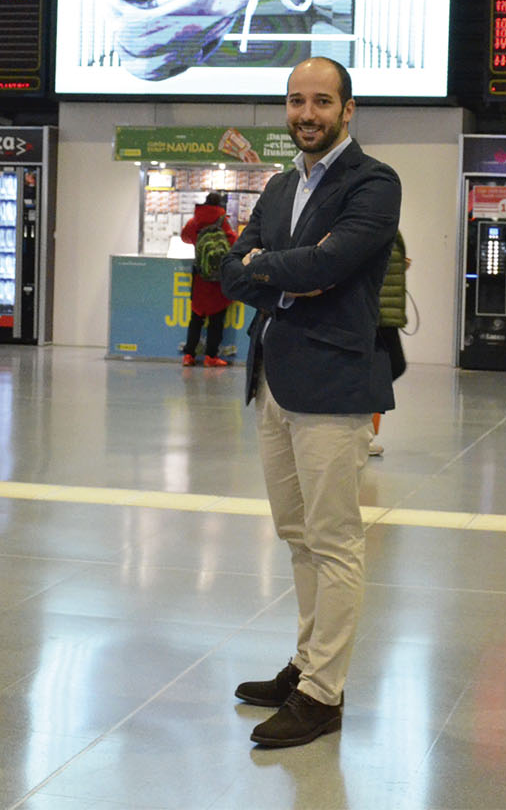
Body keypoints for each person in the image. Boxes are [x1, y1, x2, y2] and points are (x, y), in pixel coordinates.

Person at [220, 56, 400, 748]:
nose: (307, 114)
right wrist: (278, 273)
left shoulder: (375, 183)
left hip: (332, 383)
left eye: (321, 101)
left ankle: (324, 695)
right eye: (296, 101)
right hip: (274, 379)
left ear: (347, 110)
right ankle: (305, 664)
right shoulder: (276, 186)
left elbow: (332, 265)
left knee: (333, 541)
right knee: (296, 536)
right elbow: (236, 270)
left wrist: (271, 268)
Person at [180, 190, 238, 367]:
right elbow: (234, 242)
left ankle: (189, 355)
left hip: (200, 277)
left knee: (196, 317)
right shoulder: (223, 222)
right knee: (216, 319)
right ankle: (210, 357)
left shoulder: (195, 221)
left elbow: (184, 237)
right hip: (218, 279)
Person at [368, 230, 408, 456]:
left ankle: (365, 433)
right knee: (387, 369)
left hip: (384, 311)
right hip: (378, 312)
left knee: (383, 371)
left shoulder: (386, 220)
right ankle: (362, 433)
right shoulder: (375, 218)